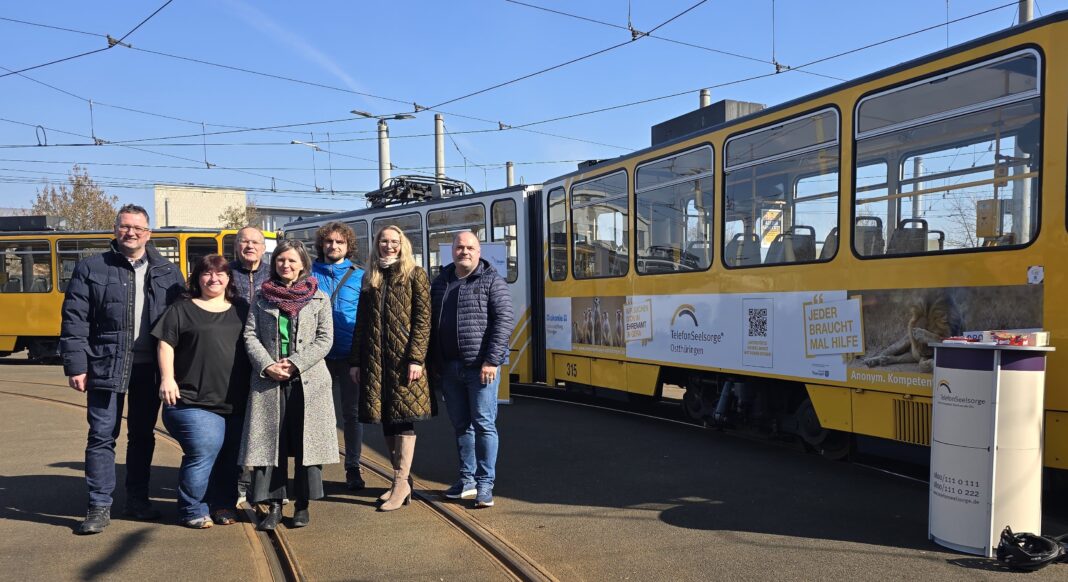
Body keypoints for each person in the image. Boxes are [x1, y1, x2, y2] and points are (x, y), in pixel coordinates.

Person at [61, 204, 186, 535]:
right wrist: (76, 365)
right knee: (102, 436)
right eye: (124, 226)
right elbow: (75, 321)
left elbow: (181, 324)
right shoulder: (92, 268)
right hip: (104, 364)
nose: (131, 232)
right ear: (115, 229)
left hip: (151, 369)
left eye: (138, 228)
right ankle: (99, 506)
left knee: (143, 436)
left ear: (149, 233)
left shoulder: (168, 272)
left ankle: (137, 500)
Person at [240, 238, 337, 530]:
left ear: (303, 264)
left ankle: (303, 504)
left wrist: (295, 363)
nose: (286, 265)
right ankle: (274, 505)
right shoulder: (261, 297)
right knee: (272, 444)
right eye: (282, 260)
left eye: (292, 260)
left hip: (308, 380)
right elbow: (250, 335)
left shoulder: (319, 297)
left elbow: (325, 339)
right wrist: (268, 365)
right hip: (269, 381)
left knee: (306, 443)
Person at [153, 255, 251, 528]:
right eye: (206, 274)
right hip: (191, 400)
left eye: (220, 274)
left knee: (230, 457)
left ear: (229, 278)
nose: (213, 279)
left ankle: (223, 505)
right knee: (205, 448)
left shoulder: (241, 308)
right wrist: (167, 379)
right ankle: (192, 508)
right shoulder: (181, 309)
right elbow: (165, 344)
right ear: (197, 278)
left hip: (234, 400)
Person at [349, 225, 432, 512]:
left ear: (403, 244)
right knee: (385, 417)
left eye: (394, 241)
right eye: (384, 241)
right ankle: (401, 483)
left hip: (403, 361)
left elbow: (423, 320)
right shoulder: (370, 277)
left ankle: (400, 482)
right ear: (377, 244)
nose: (389, 246)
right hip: (375, 361)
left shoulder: (414, 274)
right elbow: (361, 324)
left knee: (403, 418)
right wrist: (356, 361)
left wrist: (416, 359)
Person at [430, 232, 514, 509]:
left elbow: (504, 322)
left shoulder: (492, 281)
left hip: (481, 368)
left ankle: (485, 484)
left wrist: (492, 361)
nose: (464, 252)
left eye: (469, 248)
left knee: (484, 425)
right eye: (459, 247)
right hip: (450, 368)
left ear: (478, 252)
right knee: (460, 426)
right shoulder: (441, 282)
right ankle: (466, 480)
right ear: (452, 251)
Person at [311, 222, 366, 491]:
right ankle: (314, 468)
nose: (334, 246)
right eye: (329, 241)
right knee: (317, 415)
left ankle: (353, 466)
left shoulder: (360, 276)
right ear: (321, 244)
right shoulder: (307, 273)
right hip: (316, 356)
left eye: (340, 242)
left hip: (349, 356)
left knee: (352, 415)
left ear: (348, 246)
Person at [227, 226, 268, 503]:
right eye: (244, 242)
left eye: (255, 242)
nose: (249, 246)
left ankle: (265, 482)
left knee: (265, 421)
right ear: (236, 246)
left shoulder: (275, 273)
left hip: (267, 355)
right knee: (238, 420)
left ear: (264, 248)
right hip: (231, 356)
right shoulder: (224, 273)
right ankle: (240, 479)